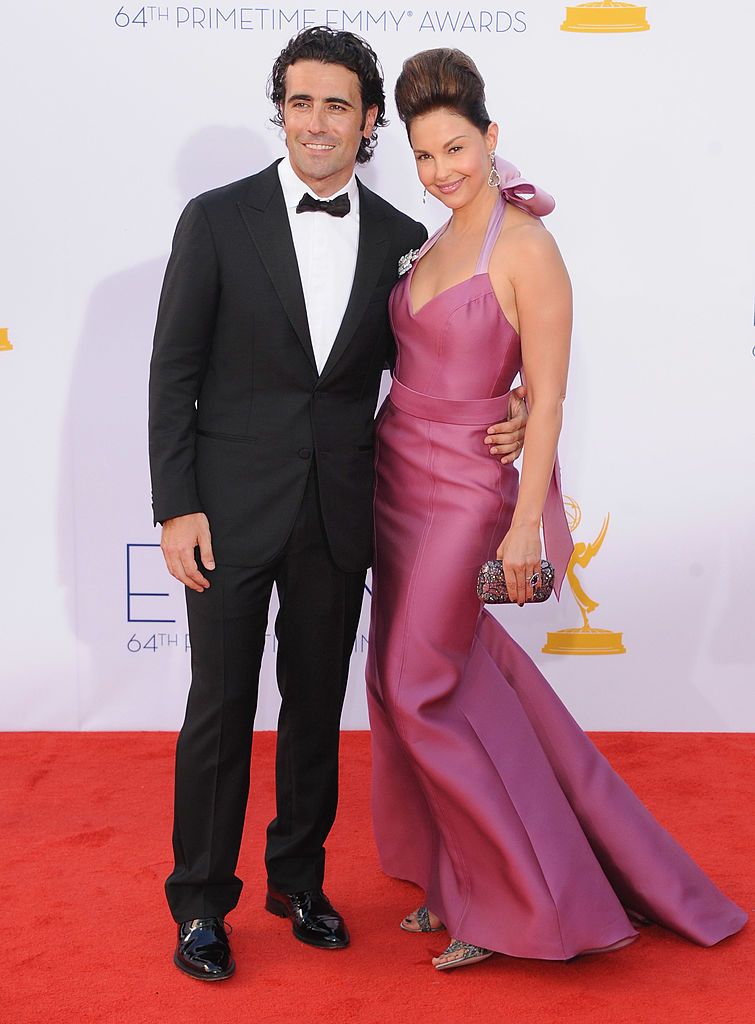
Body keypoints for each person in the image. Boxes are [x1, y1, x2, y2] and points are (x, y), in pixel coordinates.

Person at [148, 28, 526, 981]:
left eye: (339, 107)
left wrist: (513, 405)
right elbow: (173, 373)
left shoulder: (406, 240)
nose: (317, 122)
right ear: (279, 108)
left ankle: (298, 880)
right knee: (220, 709)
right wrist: (175, 504)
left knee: (316, 707)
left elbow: (442, 358)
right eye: (301, 102)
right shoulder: (216, 219)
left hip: (340, 510)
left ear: (367, 125)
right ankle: (200, 902)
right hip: (226, 513)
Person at [365, 47, 747, 971]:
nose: (441, 170)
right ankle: (453, 876)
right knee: (404, 683)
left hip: (467, 494)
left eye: (455, 147)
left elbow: (550, 393)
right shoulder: (429, 238)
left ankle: (516, 900)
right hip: (395, 479)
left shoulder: (526, 246)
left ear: (492, 138)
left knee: (422, 686)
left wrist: (524, 519)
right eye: (423, 155)